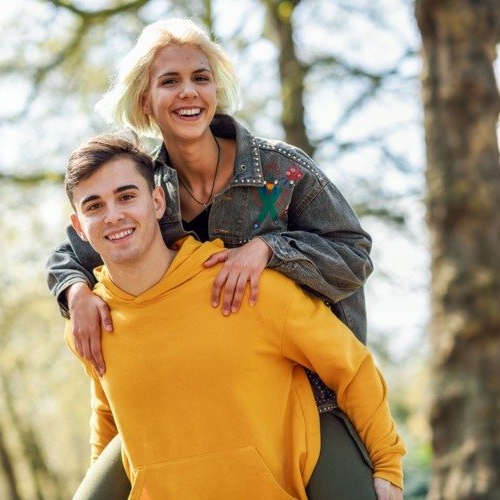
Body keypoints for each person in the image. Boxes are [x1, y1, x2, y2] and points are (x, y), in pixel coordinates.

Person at [46, 18, 375, 499]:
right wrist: (75, 292)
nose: (189, 93)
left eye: (201, 78)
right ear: (145, 101)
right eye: (170, 81)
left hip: (300, 392)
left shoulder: (280, 172)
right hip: (179, 402)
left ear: (215, 90)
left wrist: (268, 249)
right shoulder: (139, 187)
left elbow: (354, 254)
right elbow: (71, 250)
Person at [61, 133, 405, 499]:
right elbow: (108, 416)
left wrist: (388, 462)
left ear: (158, 201)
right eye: (94, 206)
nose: (114, 216)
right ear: (79, 227)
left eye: (127, 196)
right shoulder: (92, 321)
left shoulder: (247, 289)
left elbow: (351, 367)